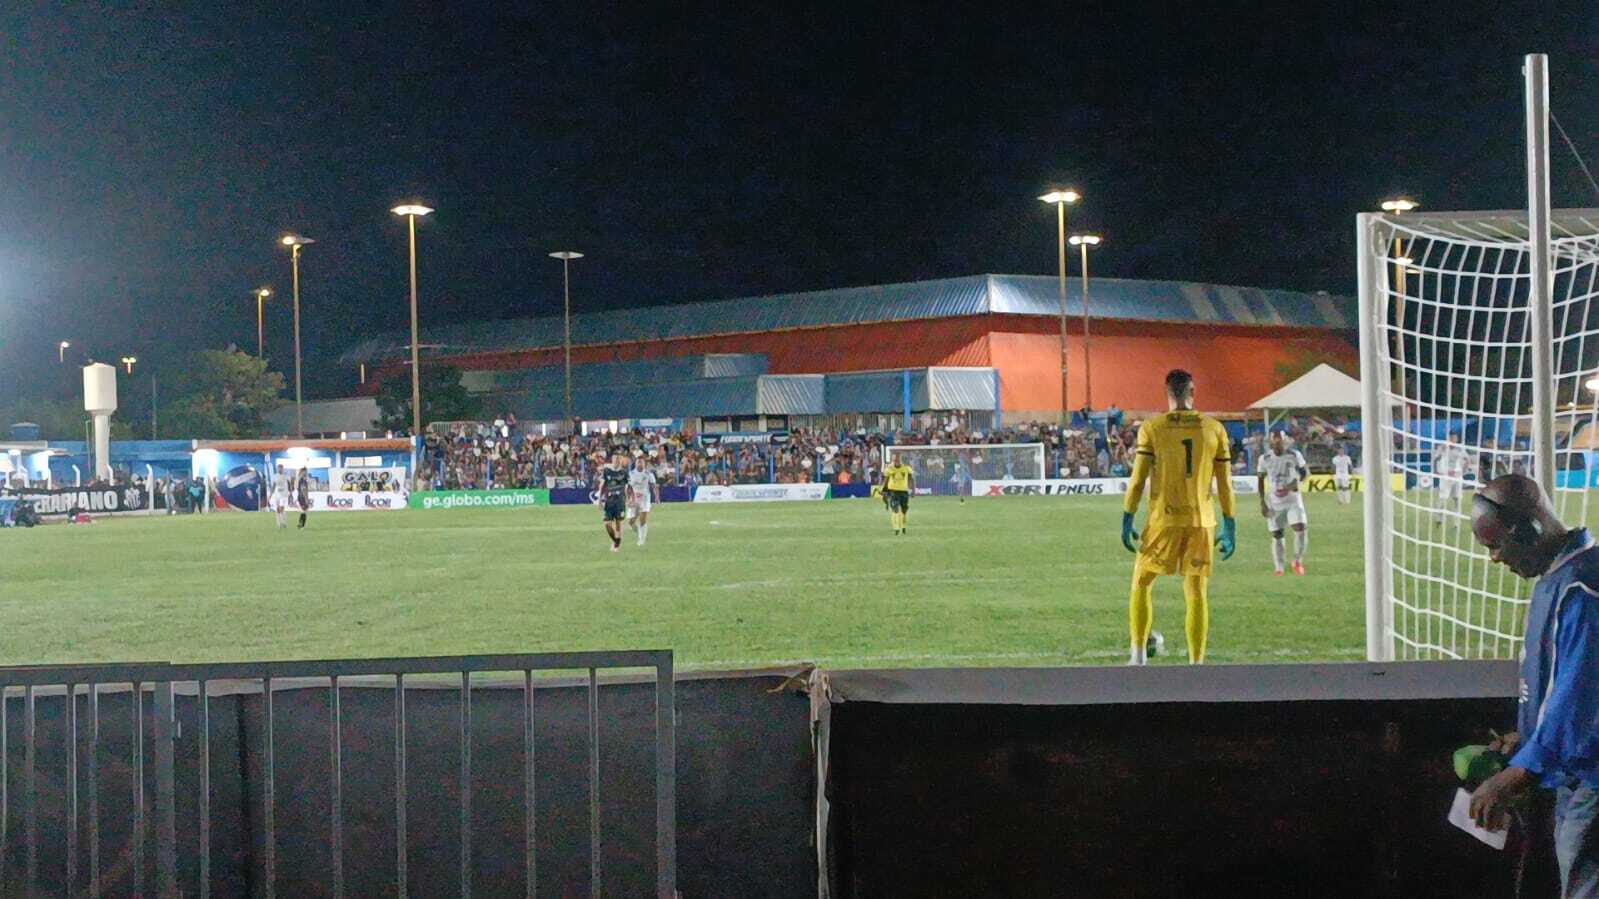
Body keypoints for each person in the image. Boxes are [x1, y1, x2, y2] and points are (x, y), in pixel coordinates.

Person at [1466, 474, 1599, 896]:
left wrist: (1517, 774)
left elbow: (1581, 701)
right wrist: (1526, 739)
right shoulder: (1561, 579)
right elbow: (1560, 685)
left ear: (1528, 530)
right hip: (1575, 780)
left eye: (1496, 545)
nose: (1494, 559)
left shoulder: (1583, 589)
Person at [1121, 369, 1237, 665]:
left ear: (1167, 392)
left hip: (1164, 519)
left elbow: (1137, 480)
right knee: (1196, 591)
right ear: (1192, 392)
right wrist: (1230, 524)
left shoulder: (1152, 428)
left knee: (1142, 582)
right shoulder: (1214, 429)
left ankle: (1138, 657)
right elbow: (1225, 483)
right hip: (1202, 522)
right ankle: (1196, 664)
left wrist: (1127, 518)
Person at [1257, 430, 1309, 575]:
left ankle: (1297, 561)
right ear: (1271, 442)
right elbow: (1260, 480)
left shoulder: (1294, 455)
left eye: (1280, 440)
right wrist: (1262, 503)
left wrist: (1295, 483)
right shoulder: (1264, 458)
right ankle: (1279, 567)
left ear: (1284, 441)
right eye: (1275, 441)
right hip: (1274, 502)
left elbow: (1305, 474)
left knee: (1300, 527)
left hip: (1293, 499)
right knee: (1277, 534)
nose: (1278, 443)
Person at [594, 451, 632, 552]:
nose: (616, 461)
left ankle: (616, 546)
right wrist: (599, 500)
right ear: (612, 460)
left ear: (620, 460)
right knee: (607, 524)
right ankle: (616, 541)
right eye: (614, 459)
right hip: (609, 501)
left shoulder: (624, 472)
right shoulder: (607, 471)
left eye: (617, 459)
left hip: (620, 501)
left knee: (618, 523)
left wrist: (629, 499)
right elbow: (602, 486)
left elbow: (629, 487)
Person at [1434, 438, 1472, 525]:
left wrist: (1463, 471)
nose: (1452, 440)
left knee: (1457, 499)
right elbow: (1435, 459)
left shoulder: (1460, 448)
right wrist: (1436, 471)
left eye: (1454, 438)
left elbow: (1467, 459)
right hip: (1445, 477)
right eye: (1451, 437)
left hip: (1457, 477)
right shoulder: (1443, 447)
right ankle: (1439, 519)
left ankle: (1456, 522)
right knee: (1443, 498)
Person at [626, 456, 659, 547]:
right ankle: (639, 532)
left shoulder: (649, 474)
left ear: (644, 464)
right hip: (634, 499)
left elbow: (654, 486)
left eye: (641, 462)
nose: (640, 464)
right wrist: (628, 499)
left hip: (645, 498)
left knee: (642, 519)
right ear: (635, 463)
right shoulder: (631, 474)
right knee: (631, 522)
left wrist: (657, 497)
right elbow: (628, 488)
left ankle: (641, 540)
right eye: (638, 462)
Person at [882, 452, 914, 535]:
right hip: (893, 491)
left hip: (904, 491)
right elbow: (886, 479)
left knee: (904, 510)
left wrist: (913, 490)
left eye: (898, 459)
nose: (896, 461)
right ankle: (896, 528)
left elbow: (911, 479)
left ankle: (903, 526)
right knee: (895, 508)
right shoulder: (889, 468)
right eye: (895, 459)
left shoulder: (906, 468)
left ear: (901, 460)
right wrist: (883, 489)